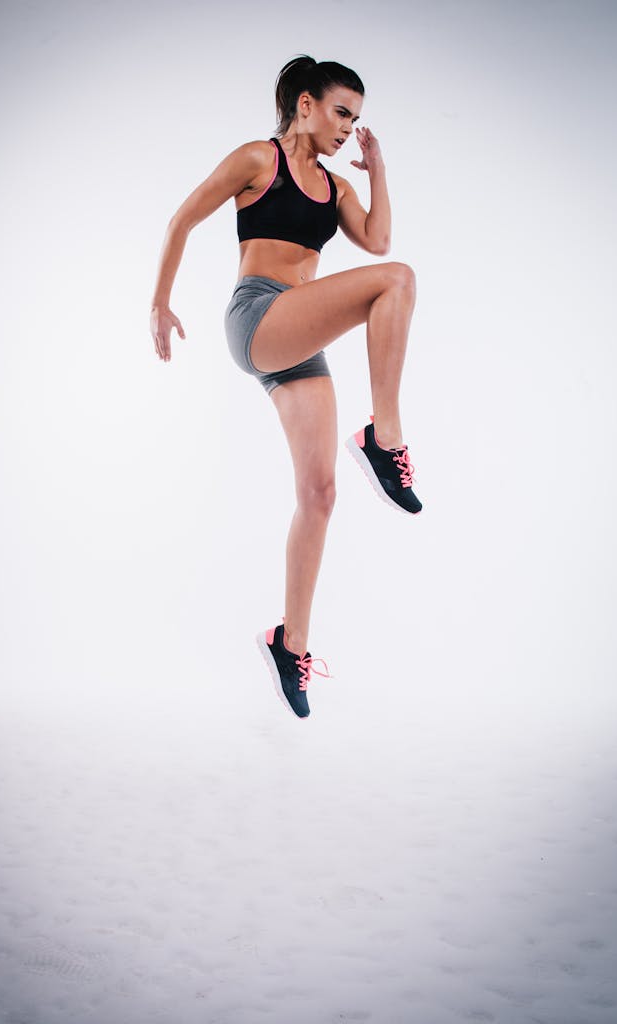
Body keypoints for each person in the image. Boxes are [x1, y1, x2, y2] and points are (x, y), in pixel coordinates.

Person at [150, 55, 421, 720]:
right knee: (397, 280)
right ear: (304, 104)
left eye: (356, 119)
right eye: (340, 113)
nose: (346, 128)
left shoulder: (335, 188)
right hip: (258, 315)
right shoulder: (257, 160)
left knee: (320, 493)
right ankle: (384, 439)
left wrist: (376, 169)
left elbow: (377, 237)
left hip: (298, 340)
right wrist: (160, 302)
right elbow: (181, 219)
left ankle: (288, 642)